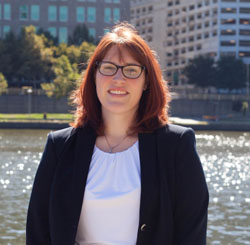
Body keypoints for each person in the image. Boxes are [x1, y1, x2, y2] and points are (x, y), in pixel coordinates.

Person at [26, 23, 209, 245]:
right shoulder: (60, 146)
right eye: (108, 67)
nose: (118, 78)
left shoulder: (176, 146)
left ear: (146, 82)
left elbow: (191, 235)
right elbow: (38, 232)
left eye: (131, 70)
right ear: (94, 76)